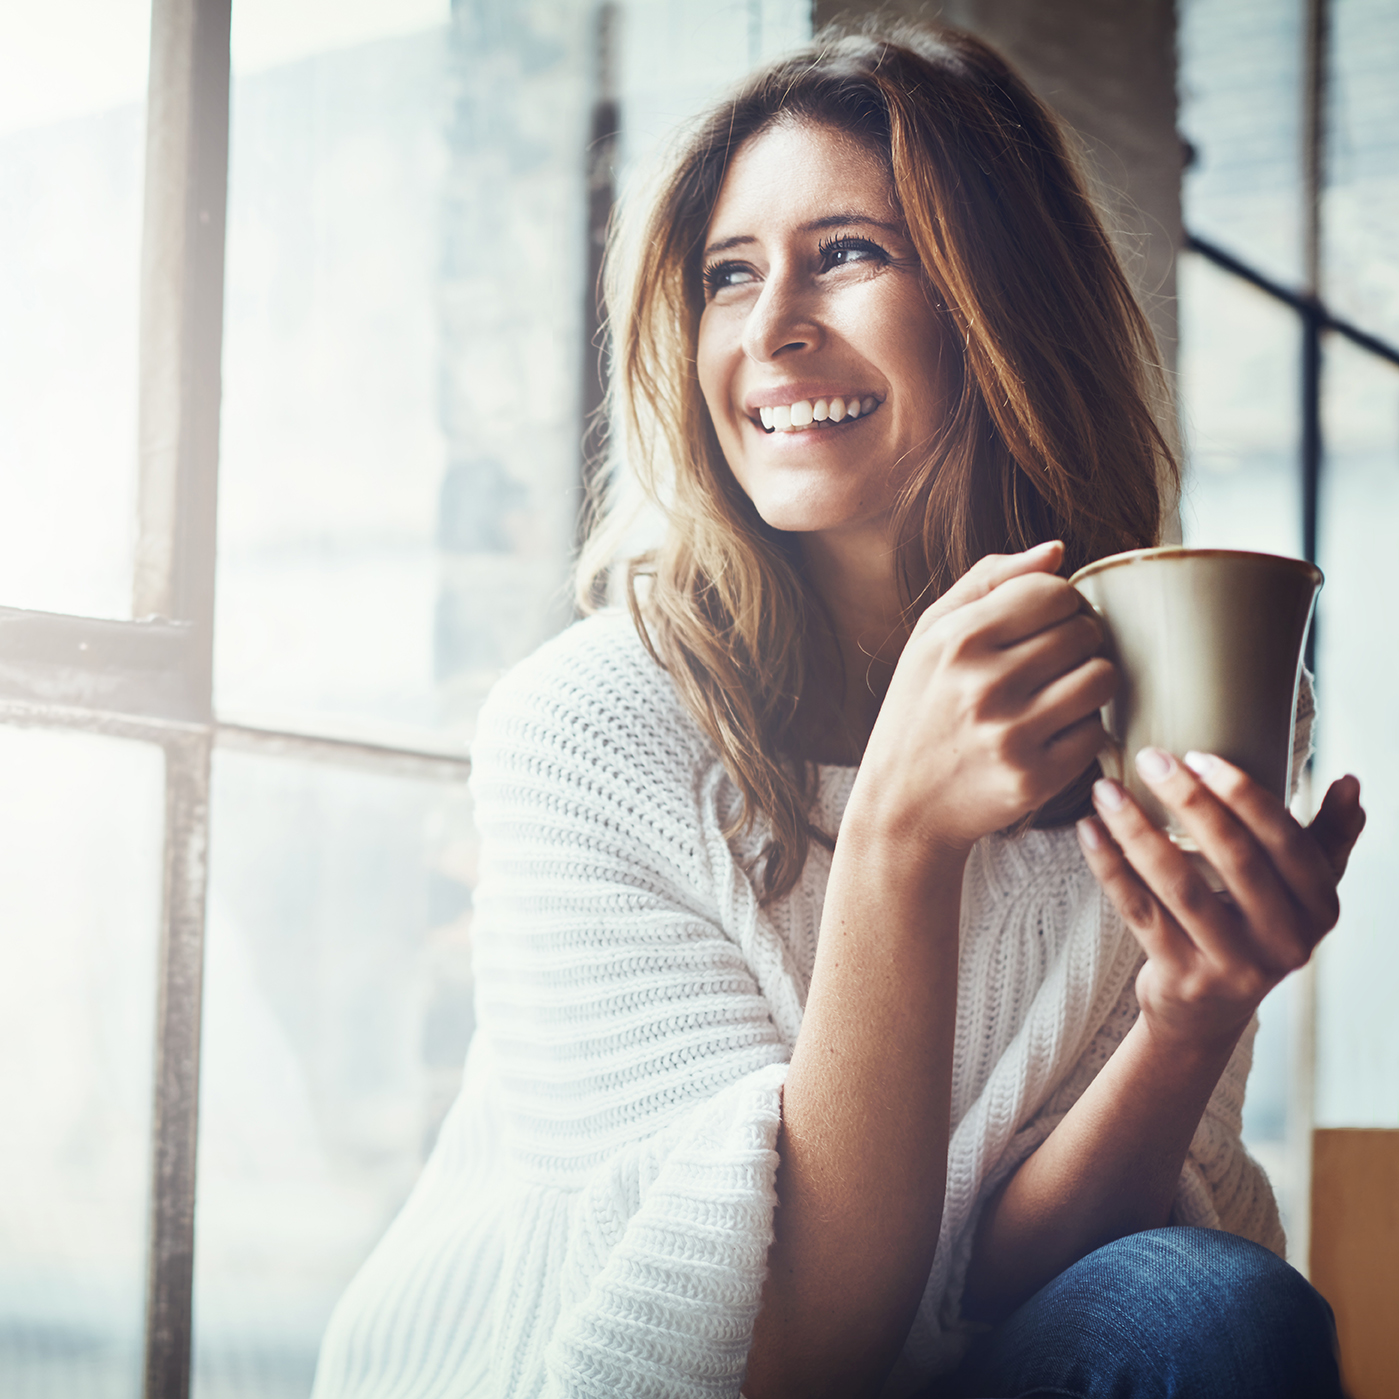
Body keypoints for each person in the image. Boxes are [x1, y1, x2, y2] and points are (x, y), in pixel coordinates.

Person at [311, 23, 1366, 1399]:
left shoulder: (1152, 713)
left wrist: (1189, 1013)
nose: (769, 328)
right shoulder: (588, 729)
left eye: (851, 253)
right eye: (728, 275)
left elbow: (1007, 1291)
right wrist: (897, 840)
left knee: (1208, 1308)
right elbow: (784, 1357)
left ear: (1005, 309)